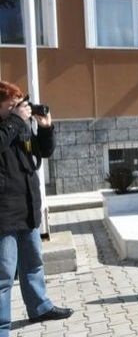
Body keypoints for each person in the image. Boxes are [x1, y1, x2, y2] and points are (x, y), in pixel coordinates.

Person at [0, 81, 73, 335]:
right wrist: (16, 121)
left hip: (28, 209)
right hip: (4, 216)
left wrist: (45, 128)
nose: (18, 108)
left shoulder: (18, 126)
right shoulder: (10, 125)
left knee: (33, 264)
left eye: (19, 103)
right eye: (12, 104)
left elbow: (44, 151)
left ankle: (40, 306)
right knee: (3, 276)